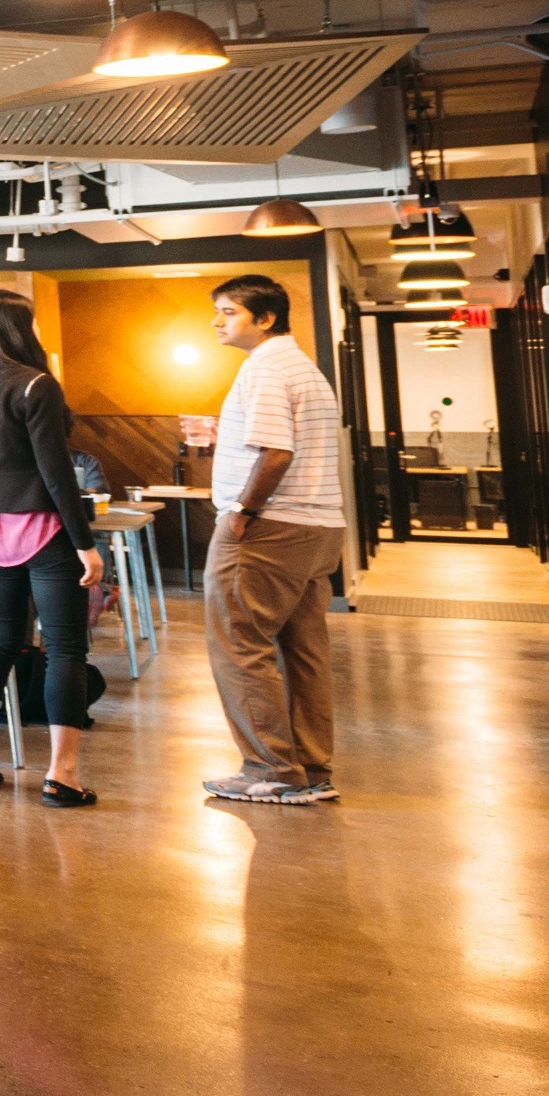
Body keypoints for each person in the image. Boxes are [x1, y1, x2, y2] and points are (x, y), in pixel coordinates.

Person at [0, 288, 107, 805]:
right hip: (45, 530)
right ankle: (63, 774)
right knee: (66, 649)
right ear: (21, 328)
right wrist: (86, 545)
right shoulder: (37, 384)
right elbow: (57, 474)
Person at [200, 273, 349, 805]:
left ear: (265, 319)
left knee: (239, 644)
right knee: (304, 650)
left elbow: (275, 452)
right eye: (216, 312)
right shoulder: (302, 367)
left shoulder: (264, 368)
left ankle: (270, 769)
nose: (218, 322)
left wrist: (242, 511)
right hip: (319, 526)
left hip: (271, 528)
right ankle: (309, 766)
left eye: (229, 312)